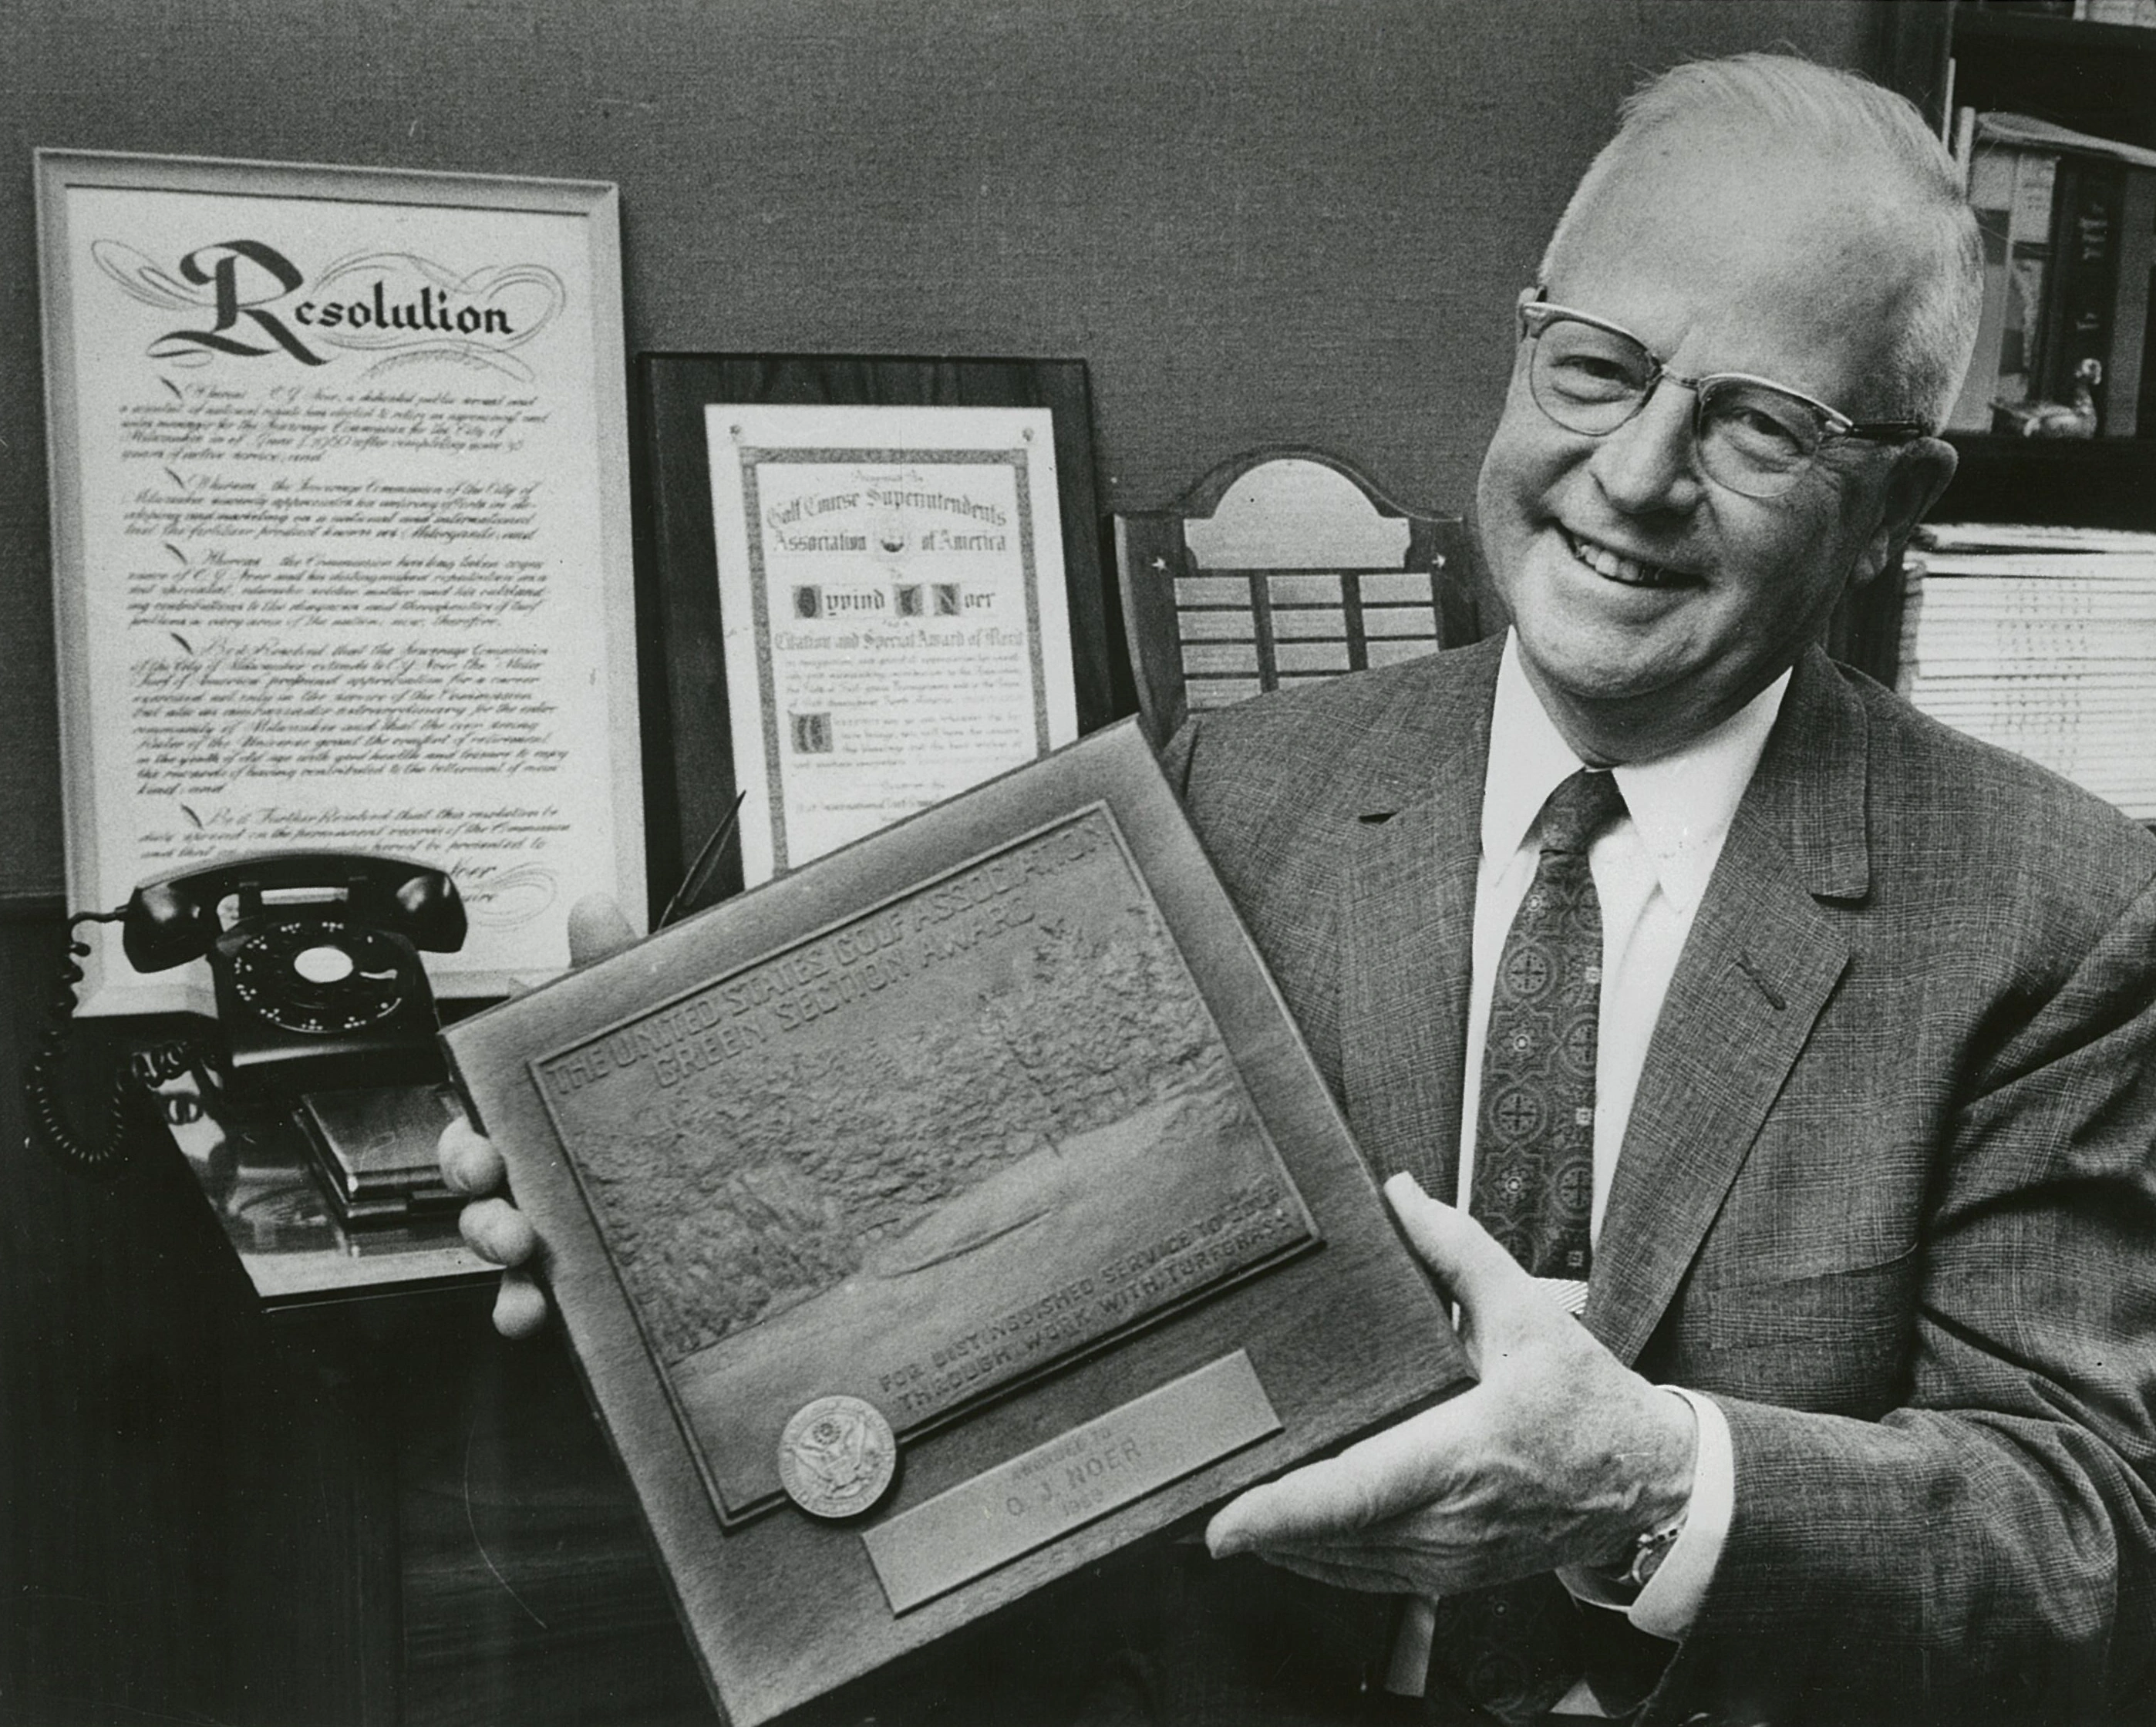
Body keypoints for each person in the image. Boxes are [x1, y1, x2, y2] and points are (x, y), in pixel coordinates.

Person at [443, 53, 2156, 1726]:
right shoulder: (1233, 791)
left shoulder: (2059, 916)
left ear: (1891, 507)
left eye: (1759, 426)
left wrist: (1637, 1486)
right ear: (1523, 345)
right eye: (1596, 366)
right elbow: (992, 1305)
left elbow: (2085, 1548)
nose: (1634, 475)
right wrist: (652, 1230)